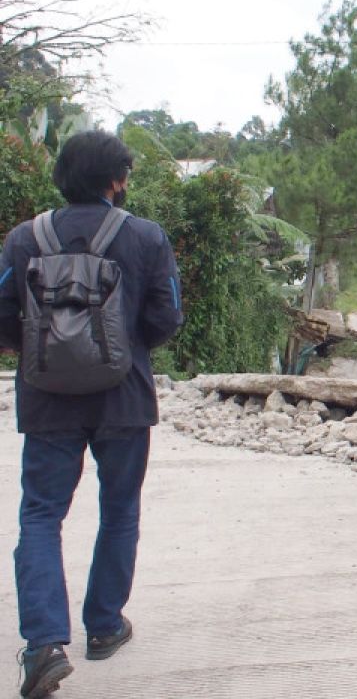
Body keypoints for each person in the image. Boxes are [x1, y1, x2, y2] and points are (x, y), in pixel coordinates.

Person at [0, 131, 184, 698]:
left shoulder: (24, 239)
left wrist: (41, 356)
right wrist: (126, 348)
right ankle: (103, 626)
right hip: (124, 398)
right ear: (117, 180)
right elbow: (167, 316)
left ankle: (43, 645)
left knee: (40, 516)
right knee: (119, 510)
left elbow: (4, 318)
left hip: (48, 398)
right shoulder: (146, 237)